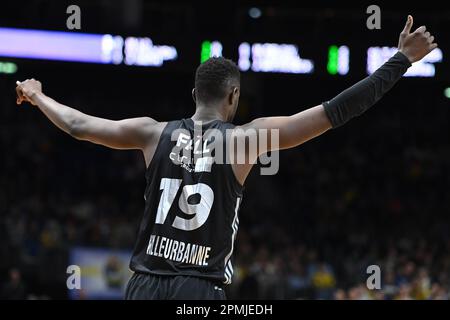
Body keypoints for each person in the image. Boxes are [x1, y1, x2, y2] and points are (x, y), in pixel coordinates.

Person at [15, 16, 436, 300]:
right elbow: (338, 110)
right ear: (234, 97)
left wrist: (37, 95)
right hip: (198, 290)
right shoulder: (245, 140)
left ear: (194, 94)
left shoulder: (150, 132)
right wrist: (401, 60)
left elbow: (77, 125)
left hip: (143, 284)